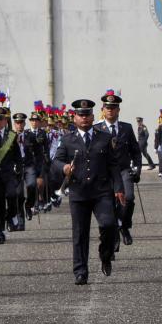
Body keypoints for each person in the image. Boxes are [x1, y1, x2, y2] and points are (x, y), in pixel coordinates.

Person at [52, 99, 125, 284]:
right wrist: (64, 167)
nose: (84, 118)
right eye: (80, 115)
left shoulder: (105, 138)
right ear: (75, 118)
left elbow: (113, 165)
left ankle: (105, 255)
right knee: (80, 233)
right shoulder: (67, 139)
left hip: (101, 191)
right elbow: (56, 161)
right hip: (79, 192)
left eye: (87, 115)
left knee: (108, 225)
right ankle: (80, 271)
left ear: (93, 117)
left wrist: (119, 188)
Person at [96, 90, 141, 246]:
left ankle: (124, 225)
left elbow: (136, 151)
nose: (110, 110)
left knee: (128, 198)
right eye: (107, 107)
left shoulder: (126, 128)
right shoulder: (97, 129)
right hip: (105, 173)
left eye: (113, 107)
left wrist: (137, 170)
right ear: (103, 109)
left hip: (123, 170)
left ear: (118, 110)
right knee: (108, 203)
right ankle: (113, 231)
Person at [0, 108, 23, 243]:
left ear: (5, 120)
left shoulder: (11, 135)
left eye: (1, 119)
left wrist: (19, 170)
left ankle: (11, 216)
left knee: (12, 195)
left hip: (8, 174)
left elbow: (17, 155)